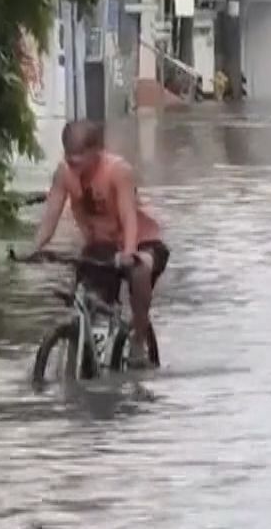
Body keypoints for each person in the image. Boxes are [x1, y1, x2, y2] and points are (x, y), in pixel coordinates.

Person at [28, 120, 170, 365]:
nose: (74, 165)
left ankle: (138, 341)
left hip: (141, 240)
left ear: (97, 151)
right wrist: (33, 249)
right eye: (69, 158)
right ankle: (84, 347)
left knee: (140, 269)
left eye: (80, 158)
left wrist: (128, 252)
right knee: (87, 298)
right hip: (102, 245)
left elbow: (128, 217)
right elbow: (50, 219)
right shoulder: (64, 174)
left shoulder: (117, 170)